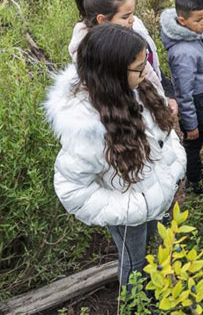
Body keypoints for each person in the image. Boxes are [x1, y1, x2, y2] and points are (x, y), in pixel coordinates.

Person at [45, 24, 186, 289]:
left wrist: (175, 168)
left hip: (158, 198)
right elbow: (71, 189)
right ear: (113, 74)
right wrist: (130, 208)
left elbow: (166, 135)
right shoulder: (87, 127)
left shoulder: (140, 91)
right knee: (133, 263)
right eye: (139, 67)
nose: (147, 72)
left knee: (158, 248)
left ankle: (157, 292)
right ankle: (136, 305)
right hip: (129, 215)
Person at [69, 0, 177, 115]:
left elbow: (149, 66)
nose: (132, 20)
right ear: (102, 20)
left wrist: (165, 95)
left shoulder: (132, 26)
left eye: (132, 13)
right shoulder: (97, 55)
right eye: (126, 16)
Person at [159, 0, 203, 193]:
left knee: (198, 141)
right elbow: (184, 93)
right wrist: (190, 124)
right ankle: (194, 183)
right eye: (198, 20)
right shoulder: (182, 52)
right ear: (181, 20)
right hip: (196, 105)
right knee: (193, 144)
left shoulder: (192, 33)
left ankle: (196, 175)